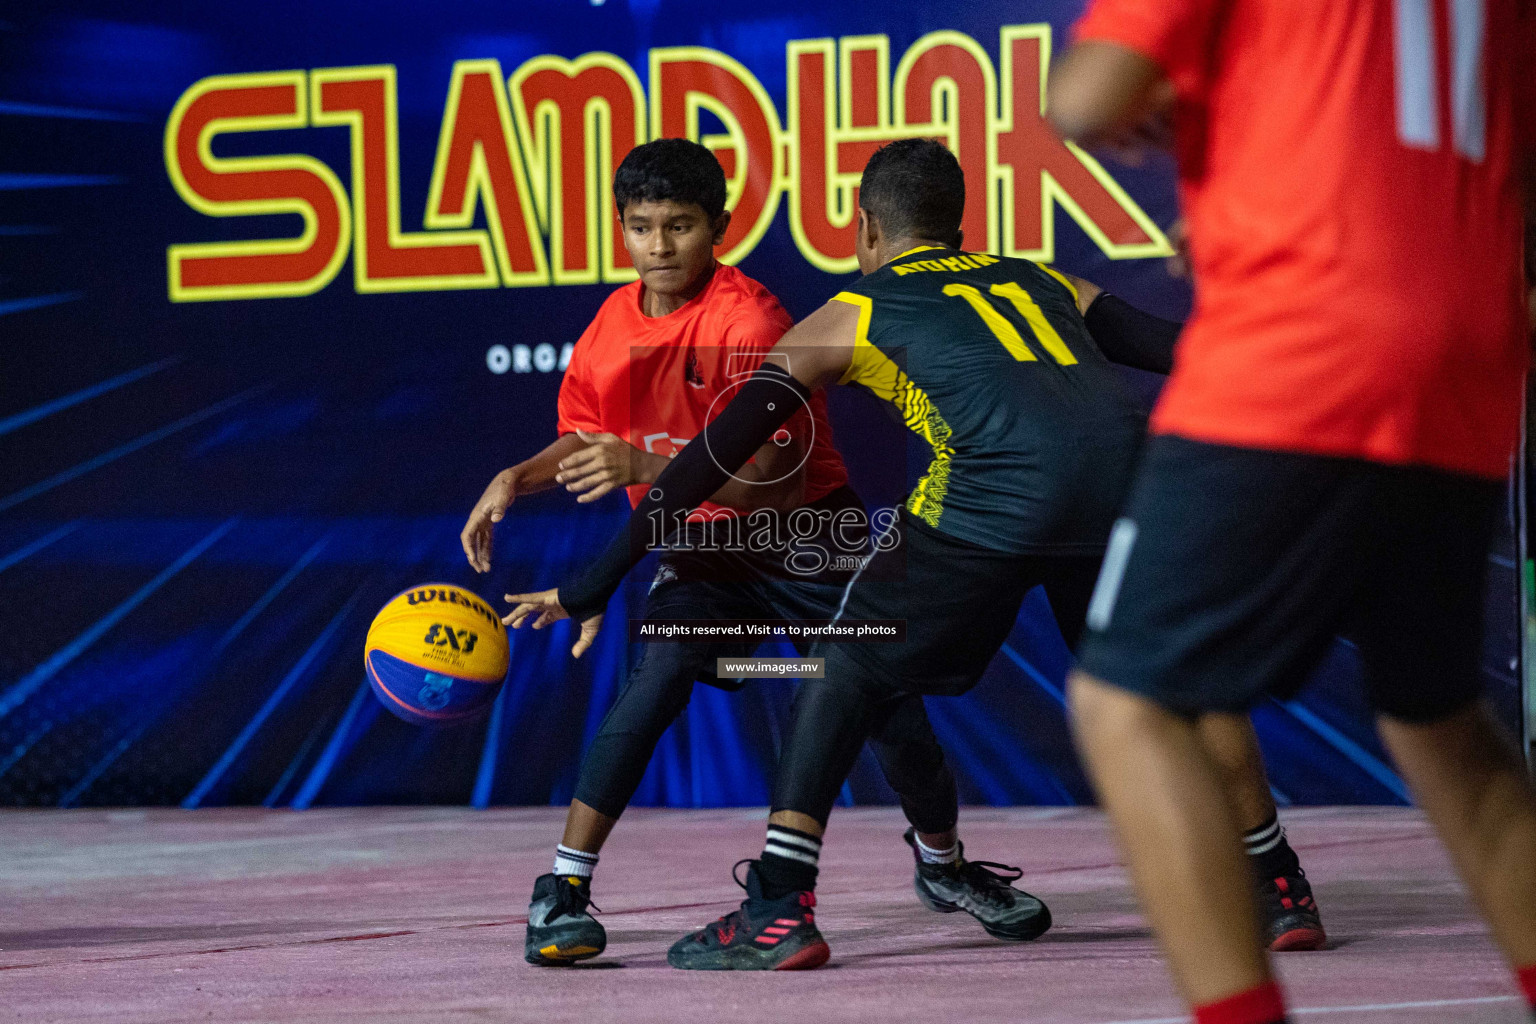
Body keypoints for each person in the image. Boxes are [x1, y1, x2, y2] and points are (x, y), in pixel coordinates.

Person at [507, 138, 1323, 969]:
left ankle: (780, 907)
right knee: (1179, 690)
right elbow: (1183, 351)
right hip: (1128, 484)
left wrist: (591, 585)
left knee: (849, 669)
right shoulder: (1043, 279)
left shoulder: (847, 313)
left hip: (990, 500)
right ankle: (1278, 883)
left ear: (865, 229)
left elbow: (702, 467)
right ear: (956, 226)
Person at [1046, 1, 1536, 1022]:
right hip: (1468, 354)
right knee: (1440, 718)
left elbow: (1085, 96)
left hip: (1305, 341)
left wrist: (1155, 103)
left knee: (1125, 703)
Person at [462, 139, 1043, 968]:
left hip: (805, 532)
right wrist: (518, 477)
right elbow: (585, 435)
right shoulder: (608, 328)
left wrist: (646, 469)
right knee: (657, 676)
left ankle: (945, 868)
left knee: (887, 708)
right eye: (641, 227)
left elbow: (768, 488)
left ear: (719, 228)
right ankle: (562, 888)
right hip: (700, 545)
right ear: (621, 230)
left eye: (680, 226)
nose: (659, 246)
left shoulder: (750, 322)